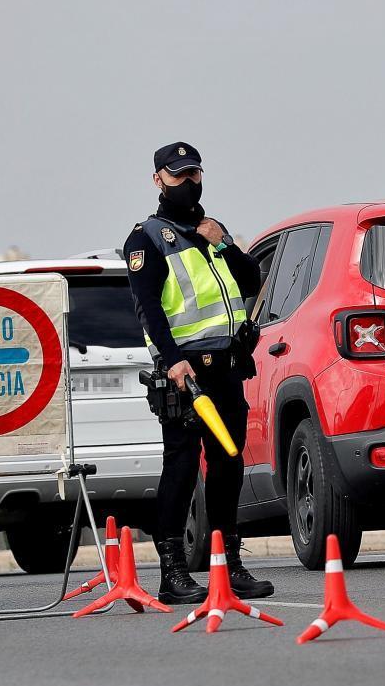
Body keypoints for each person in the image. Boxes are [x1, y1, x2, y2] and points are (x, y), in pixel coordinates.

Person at [123, 142, 272, 603]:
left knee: (228, 463)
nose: (187, 182)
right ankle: (172, 572)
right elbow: (149, 309)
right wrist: (173, 362)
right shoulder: (146, 238)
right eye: (177, 175)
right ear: (158, 180)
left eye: (193, 174)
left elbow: (251, 281)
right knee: (183, 466)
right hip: (186, 372)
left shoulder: (212, 231)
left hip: (226, 369)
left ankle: (229, 564)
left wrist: (222, 243)